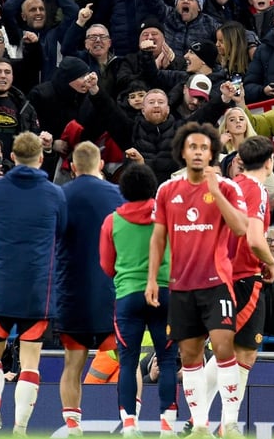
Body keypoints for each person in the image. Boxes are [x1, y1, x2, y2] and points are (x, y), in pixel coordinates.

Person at [145, 122, 248, 437]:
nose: (199, 152)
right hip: (180, 286)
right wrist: (152, 279)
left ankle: (229, 421)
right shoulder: (167, 190)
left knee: (222, 346)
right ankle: (200, 423)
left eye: (204, 147)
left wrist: (215, 192)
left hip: (216, 282)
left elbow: (242, 229)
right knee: (189, 356)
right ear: (182, 152)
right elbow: (158, 238)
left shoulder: (228, 187)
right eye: (193, 147)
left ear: (213, 152)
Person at [0, 130, 68, 436]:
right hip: (37, 287)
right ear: (41, 158)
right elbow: (61, 230)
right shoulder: (56, 194)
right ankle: (20, 429)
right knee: (30, 362)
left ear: (12, 157)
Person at [196, 136, 274, 438]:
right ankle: (201, 422)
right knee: (233, 353)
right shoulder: (255, 189)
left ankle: (221, 426)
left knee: (242, 354)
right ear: (270, 162)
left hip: (220, 274)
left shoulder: (230, 186)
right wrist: (270, 262)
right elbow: (256, 239)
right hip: (243, 277)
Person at [99, 163, 178, 438]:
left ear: (123, 190)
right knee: (168, 360)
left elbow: (107, 266)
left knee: (128, 362)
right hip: (165, 295)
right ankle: (167, 425)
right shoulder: (168, 217)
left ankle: (130, 425)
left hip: (128, 297)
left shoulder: (112, 221)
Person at [56, 142, 125, 436]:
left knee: (73, 364)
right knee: (126, 358)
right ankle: (130, 424)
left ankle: (73, 428)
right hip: (109, 291)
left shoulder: (59, 195)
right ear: (100, 165)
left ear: (72, 166)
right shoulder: (118, 195)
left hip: (72, 292)